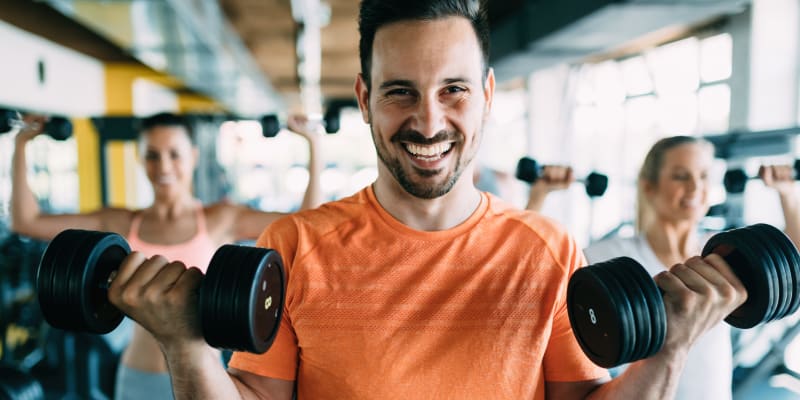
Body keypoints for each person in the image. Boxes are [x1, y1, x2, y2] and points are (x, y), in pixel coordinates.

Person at [104, 2, 747, 399]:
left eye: (455, 90)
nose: (429, 121)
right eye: (400, 92)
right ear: (363, 98)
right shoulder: (294, 246)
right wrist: (185, 348)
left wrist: (670, 349)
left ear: (489, 94)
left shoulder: (548, 250)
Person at [10, 111, 324, 400]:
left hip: (204, 377)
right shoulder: (121, 223)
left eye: (175, 154)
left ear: (194, 157)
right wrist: (21, 143)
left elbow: (307, 223)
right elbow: (26, 221)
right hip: (138, 375)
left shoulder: (221, 219)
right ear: (141, 159)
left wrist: (314, 145)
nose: (163, 166)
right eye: (152, 156)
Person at [526, 135, 800, 400]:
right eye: (680, 176)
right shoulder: (608, 255)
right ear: (649, 186)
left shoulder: (723, 255)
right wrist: (539, 195)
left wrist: (787, 194)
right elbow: (530, 280)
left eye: (703, 176)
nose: (695, 188)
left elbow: (792, 273)